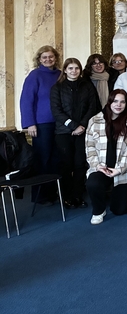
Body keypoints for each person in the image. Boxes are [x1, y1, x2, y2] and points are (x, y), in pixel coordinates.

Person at [50, 58, 101, 209]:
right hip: (63, 132)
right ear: (65, 70)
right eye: (70, 68)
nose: (74, 71)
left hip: (83, 131)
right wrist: (73, 126)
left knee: (80, 164)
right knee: (66, 165)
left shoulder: (87, 85)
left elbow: (93, 107)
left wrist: (82, 125)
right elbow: (56, 111)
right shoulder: (57, 88)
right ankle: (67, 197)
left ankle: (77, 195)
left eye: (76, 68)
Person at [84, 89, 127, 224]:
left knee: (120, 210)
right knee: (92, 183)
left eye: (122, 102)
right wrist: (97, 165)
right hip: (101, 167)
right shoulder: (94, 120)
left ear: (126, 104)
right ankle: (99, 210)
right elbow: (89, 147)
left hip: (123, 170)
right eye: (115, 101)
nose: (118, 105)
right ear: (109, 102)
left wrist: (119, 169)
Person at [20, 45, 62, 203]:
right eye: (44, 57)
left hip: (59, 123)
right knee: (42, 159)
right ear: (39, 59)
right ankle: (40, 196)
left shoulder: (60, 74)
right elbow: (26, 101)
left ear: (55, 58)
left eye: (51, 56)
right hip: (41, 124)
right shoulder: (35, 75)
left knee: (56, 159)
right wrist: (30, 123)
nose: (48, 59)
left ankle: (53, 192)